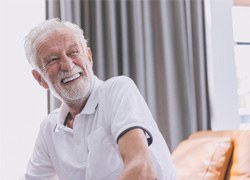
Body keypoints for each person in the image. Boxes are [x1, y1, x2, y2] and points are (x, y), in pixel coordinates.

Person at [23, 18, 176, 180]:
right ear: (40, 78)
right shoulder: (49, 129)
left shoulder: (117, 90)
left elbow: (141, 170)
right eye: (53, 60)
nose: (67, 65)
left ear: (88, 57)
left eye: (73, 52)